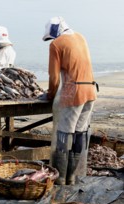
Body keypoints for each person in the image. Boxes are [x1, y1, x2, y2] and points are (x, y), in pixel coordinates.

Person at [39, 16, 98, 185]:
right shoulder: (80, 37)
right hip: (91, 90)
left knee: (64, 135)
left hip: (74, 92)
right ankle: (72, 178)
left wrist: (49, 95)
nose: (52, 39)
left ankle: (61, 179)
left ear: (54, 32)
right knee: (79, 133)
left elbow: (54, 77)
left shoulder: (56, 44)